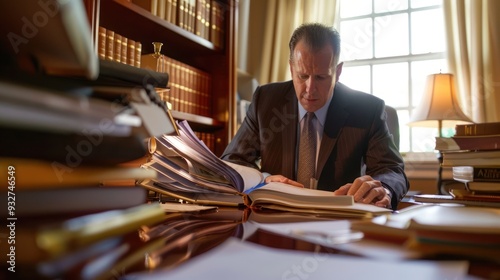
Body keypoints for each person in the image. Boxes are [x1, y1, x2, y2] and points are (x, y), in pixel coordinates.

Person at [221, 23, 409, 210]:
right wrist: (263, 179)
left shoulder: (367, 110)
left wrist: (383, 189)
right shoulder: (266, 101)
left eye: (321, 77)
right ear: (291, 68)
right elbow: (232, 161)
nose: (310, 90)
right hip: (275, 217)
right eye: (302, 76)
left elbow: (391, 169)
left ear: (338, 72)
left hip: (338, 220)